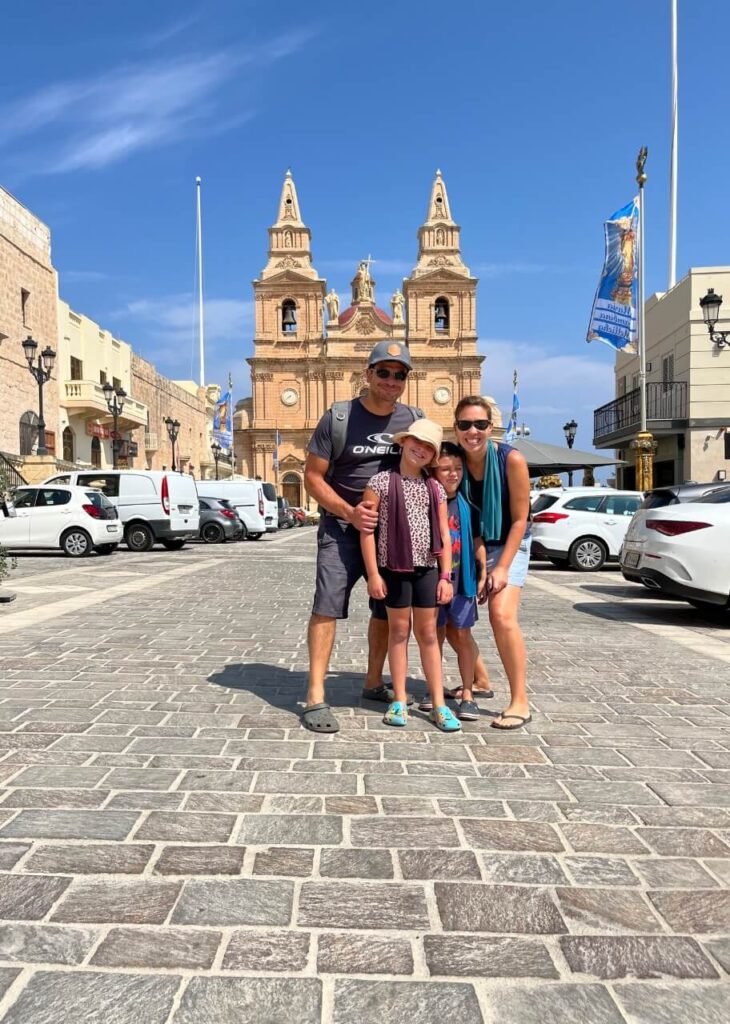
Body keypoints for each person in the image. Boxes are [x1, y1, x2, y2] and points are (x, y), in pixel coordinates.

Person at [302, 340, 424, 733]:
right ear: (368, 374)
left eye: (399, 374)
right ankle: (315, 696)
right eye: (383, 372)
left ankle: (373, 682)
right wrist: (349, 512)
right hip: (341, 529)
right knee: (327, 606)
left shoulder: (414, 420)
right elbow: (312, 478)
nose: (391, 380)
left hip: (392, 535)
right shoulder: (338, 418)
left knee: (385, 608)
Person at [360, 420, 460, 732]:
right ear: (403, 442)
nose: (422, 449)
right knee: (399, 633)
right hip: (393, 568)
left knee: (428, 635)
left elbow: (443, 532)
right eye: (417, 441)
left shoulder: (435, 488)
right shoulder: (379, 483)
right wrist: (373, 574)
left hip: (427, 569)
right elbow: (366, 531)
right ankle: (400, 699)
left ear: (433, 455)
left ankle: (439, 704)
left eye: (429, 447)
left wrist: (445, 576)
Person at [454, 396, 532, 730]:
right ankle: (480, 679)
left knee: (500, 614)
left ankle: (520, 701)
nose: (472, 431)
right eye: (465, 424)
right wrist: (482, 563)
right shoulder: (455, 461)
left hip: (512, 540)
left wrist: (500, 568)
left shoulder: (511, 460)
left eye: (480, 424)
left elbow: (520, 520)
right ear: (456, 427)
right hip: (476, 543)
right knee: (453, 616)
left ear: (491, 427)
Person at [428, 442, 489, 721]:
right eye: (445, 469)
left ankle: (467, 692)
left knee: (462, 635)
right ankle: (435, 690)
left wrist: (482, 573)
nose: (453, 474)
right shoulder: (428, 502)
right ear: (434, 471)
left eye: (457, 468)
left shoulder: (468, 505)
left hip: (462, 581)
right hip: (433, 581)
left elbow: (477, 542)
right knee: (435, 636)